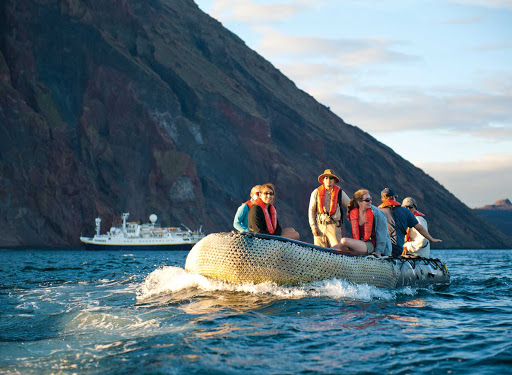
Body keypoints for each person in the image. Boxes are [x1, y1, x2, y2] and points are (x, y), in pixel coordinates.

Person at [378, 188, 441, 256]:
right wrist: (431, 239)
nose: (408, 208)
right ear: (394, 197)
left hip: (382, 249)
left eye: (410, 207)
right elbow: (419, 228)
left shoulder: (377, 212)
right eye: (406, 206)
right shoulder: (405, 212)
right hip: (397, 249)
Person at [334, 189, 391, 256]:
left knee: (344, 241)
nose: (370, 202)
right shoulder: (353, 214)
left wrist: (378, 251)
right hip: (357, 242)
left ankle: (341, 260)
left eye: (370, 199)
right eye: (367, 200)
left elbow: (382, 235)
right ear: (359, 202)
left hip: (370, 244)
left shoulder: (377, 214)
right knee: (331, 248)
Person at [308, 169, 350, 247]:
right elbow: (311, 210)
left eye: (331, 178)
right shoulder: (316, 192)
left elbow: (350, 205)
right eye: (326, 178)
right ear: (323, 180)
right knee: (319, 253)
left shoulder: (340, 193)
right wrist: (313, 226)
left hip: (333, 226)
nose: (328, 180)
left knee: (337, 251)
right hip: (319, 226)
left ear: (334, 180)